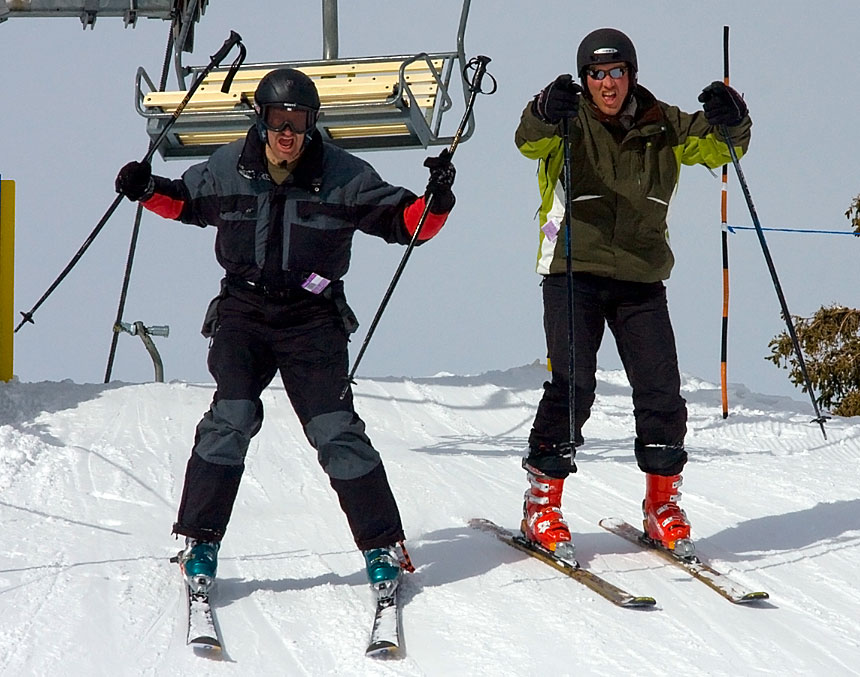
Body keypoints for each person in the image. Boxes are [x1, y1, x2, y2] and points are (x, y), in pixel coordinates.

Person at [115, 68, 456, 594]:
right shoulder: (231, 165)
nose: (287, 132)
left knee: (335, 429)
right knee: (231, 416)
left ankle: (382, 544)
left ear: (312, 124)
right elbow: (186, 202)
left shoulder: (343, 174)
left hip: (312, 318)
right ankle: (199, 542)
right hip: (244, 313)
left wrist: (435, 202)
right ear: (263, 120)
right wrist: (146, 189)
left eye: (298, 121)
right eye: (279, 120)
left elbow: (404, 224)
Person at [514, 28, 750, 560]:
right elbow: (528, 139)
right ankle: (541, 503)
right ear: (584, 79)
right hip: (573, 269)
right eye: (596, 74)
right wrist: (542, 109)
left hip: (642, 276)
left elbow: (720, 147)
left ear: (631, 75)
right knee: (573, 385)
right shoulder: (567, 118)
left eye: (616, 72)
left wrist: (734, 115)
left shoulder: (663, 121)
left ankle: (661, 504)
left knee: (661, 389)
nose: (606, 84)